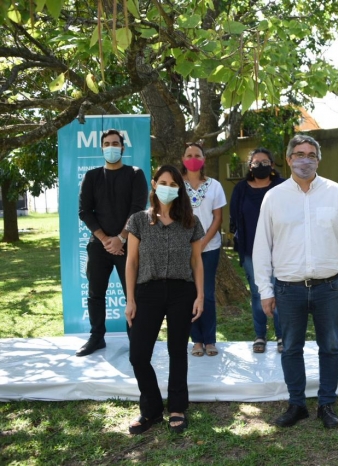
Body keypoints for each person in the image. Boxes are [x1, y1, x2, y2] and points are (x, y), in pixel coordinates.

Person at [252, 134, 338, 429]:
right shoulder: (273, 197)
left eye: (311, 155)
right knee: (290, 348)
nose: (305, 159)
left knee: (330, 347)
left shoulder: (335, 192)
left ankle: (326, 404)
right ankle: (297, 404)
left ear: (318, 159)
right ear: (288, 159)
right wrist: (265, 290)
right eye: (299, 154)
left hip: (330, 287)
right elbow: (262, 246)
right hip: (288, 289)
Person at [124, 165, 205, 434]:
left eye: (173, 183)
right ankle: (151, 409)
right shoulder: (138, 220)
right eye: (163, 182)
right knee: (138, 354)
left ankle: (177, 407)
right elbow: (132, 262)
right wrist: (131, 299)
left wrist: (200, 296)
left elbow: (197, 261)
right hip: (147, 292)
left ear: (179, 189)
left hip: (182, 291)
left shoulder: (190, 222)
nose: (167, 188)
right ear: (154, 184)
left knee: (177, 352)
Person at [77, 129, 148, 356]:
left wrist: (121, 238)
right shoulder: (92, 177)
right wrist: (106, 239)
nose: (111, 147)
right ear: (101, 148)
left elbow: (138, 209)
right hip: (100, 245)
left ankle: (136, 338)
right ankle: (97, 337)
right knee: (95, 293)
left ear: (123, 147)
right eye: (107, 143)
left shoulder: (135, 174)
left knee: (133, 294)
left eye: (115, 143)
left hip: (129, 244)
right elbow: (85, 211)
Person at [230, 148, 285, 353]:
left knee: (280, 291)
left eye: (265, 161)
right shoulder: (241, 189)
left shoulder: (283, 186)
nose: (260, 165)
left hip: (281, 250)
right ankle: (260, 335)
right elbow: (234, 218)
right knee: (258, 292)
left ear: (272, 165)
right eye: (256, 162)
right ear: (250, 166)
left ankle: (281, 336)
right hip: (251, 251)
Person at [181, 142, 227, 357]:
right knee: (188, 294)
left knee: (206, 294)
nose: (193, 158)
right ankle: (196, 340)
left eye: (197, 154)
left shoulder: (215, 185)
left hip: (210, 248)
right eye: (188, 155)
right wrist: (190, 244)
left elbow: (218, 217)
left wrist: (203, 242)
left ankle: (210, 340)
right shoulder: (176, 185)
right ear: (183, 160)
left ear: (203, 159)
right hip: (183, 248)